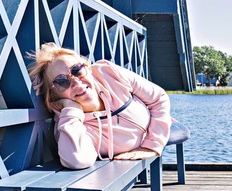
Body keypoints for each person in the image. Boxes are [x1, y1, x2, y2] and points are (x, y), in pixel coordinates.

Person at [28, 42, 171, 169]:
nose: (77, 83)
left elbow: (159, 98)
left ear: (87, 68)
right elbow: (77, 160)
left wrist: (152, 146)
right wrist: (72, 109)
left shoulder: (108, 73)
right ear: (54, 95)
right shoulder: (72, 123)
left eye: (76, 70)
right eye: (61, 81)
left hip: (158, 126)